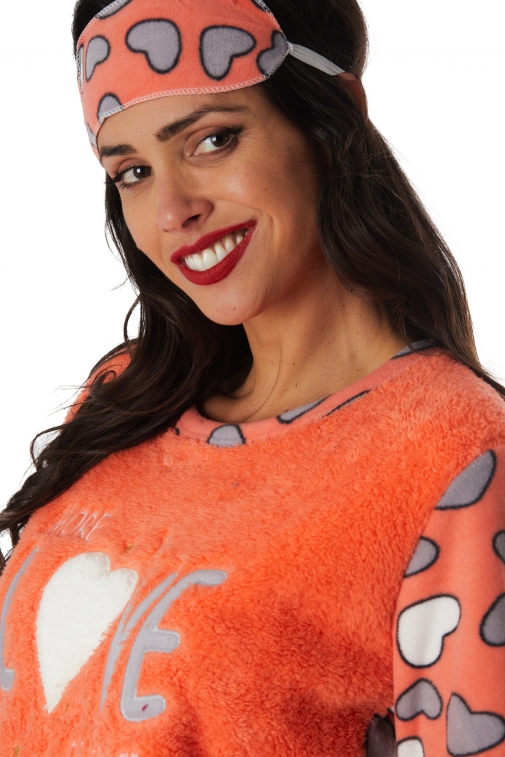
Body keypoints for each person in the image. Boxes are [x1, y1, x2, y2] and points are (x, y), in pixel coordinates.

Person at [0, 0, 504, 754]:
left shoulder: (455, 454)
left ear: (330, 120)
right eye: (132, 171)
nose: (172, 209)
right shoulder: (127, 395)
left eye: (212, 139)